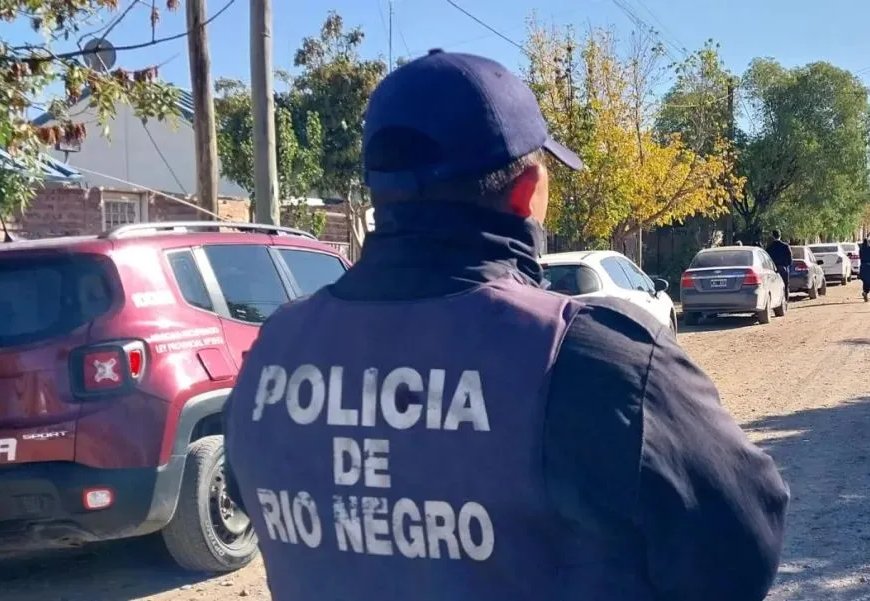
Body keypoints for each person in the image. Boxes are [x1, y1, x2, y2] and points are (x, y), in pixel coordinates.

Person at [223, 49, 789, 601]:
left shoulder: (275, 347)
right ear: (526, 193)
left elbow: (259, 503)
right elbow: (741, 548)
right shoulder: (594, 360)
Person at [766, 229, 793, 299]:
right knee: (785, 286)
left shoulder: (769, 248)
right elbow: (790, 260)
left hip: (773, 271)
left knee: (774, 287)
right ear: (780, 236)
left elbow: (767, 260)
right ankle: (785, 301)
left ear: (773, 236)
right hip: (783, 269)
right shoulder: (785, 246)